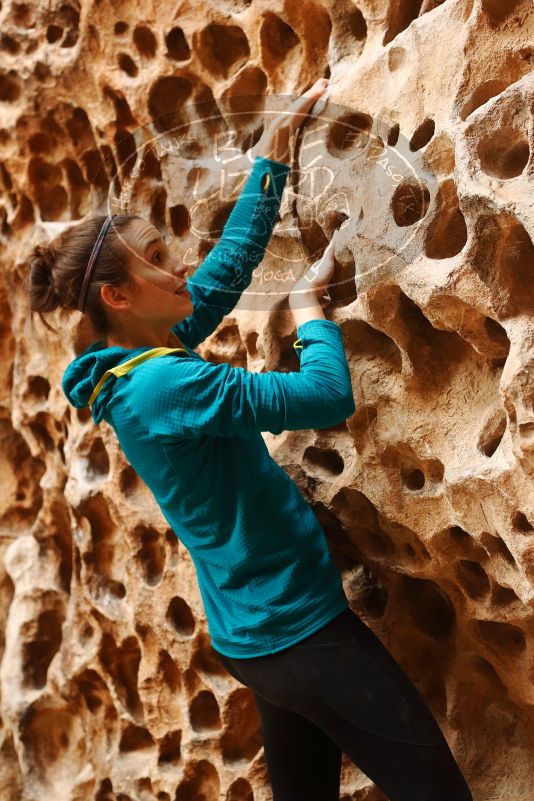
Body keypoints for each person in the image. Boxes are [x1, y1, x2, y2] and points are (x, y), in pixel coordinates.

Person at [25, 78, 473, 801]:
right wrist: (309, 313)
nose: (179, 264)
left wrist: (273, 155)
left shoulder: (139, 359)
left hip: (254, 637)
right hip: (302, 633)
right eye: (158, 257)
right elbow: (324, 395)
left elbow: (227, 270)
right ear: (118, 295)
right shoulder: (164, 385)